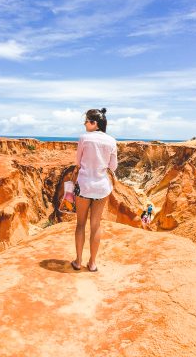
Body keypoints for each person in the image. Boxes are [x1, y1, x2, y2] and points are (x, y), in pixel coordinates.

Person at [71, 108, 117, 272]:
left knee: (80, 224)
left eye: (86, 121)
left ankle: (78, 261)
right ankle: (92, 263)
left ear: (94, 123)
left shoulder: (84, 138)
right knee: (96, 225)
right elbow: (113, 166)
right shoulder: (112, 141)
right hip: (101, 188)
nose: (84, 124)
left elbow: (78, 162)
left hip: (84, 186)